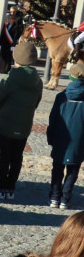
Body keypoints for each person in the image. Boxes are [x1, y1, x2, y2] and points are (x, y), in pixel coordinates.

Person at [0, 41, 43, 201]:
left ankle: (1, 187)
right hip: (24, 123)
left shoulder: (10, 77)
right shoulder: (38, 81)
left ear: (16, 59)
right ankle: (10, 189)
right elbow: (36, 102)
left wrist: (1, 112)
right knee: (17, 157)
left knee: (4, 156)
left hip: (7, 121)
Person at [46, 62, 84, 209]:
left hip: (61, 136)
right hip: (80, 139)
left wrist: (50, 136)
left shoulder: (61, 96)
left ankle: (54, 197)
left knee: (57, 168)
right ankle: (65, 199)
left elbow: (53, 118)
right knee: (73, 170)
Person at [0, 6, 22, 74]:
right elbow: (2, 35)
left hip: (10, 44)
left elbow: (15, 36)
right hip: (3, 43)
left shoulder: (16, 26)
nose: (10, 20)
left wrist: (13, 45)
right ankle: (1, 69)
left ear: (14, 20)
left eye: (12, 19)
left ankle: (6, 69)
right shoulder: (5, 25)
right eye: (9, 19)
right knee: (2, 57)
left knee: (8, 58)